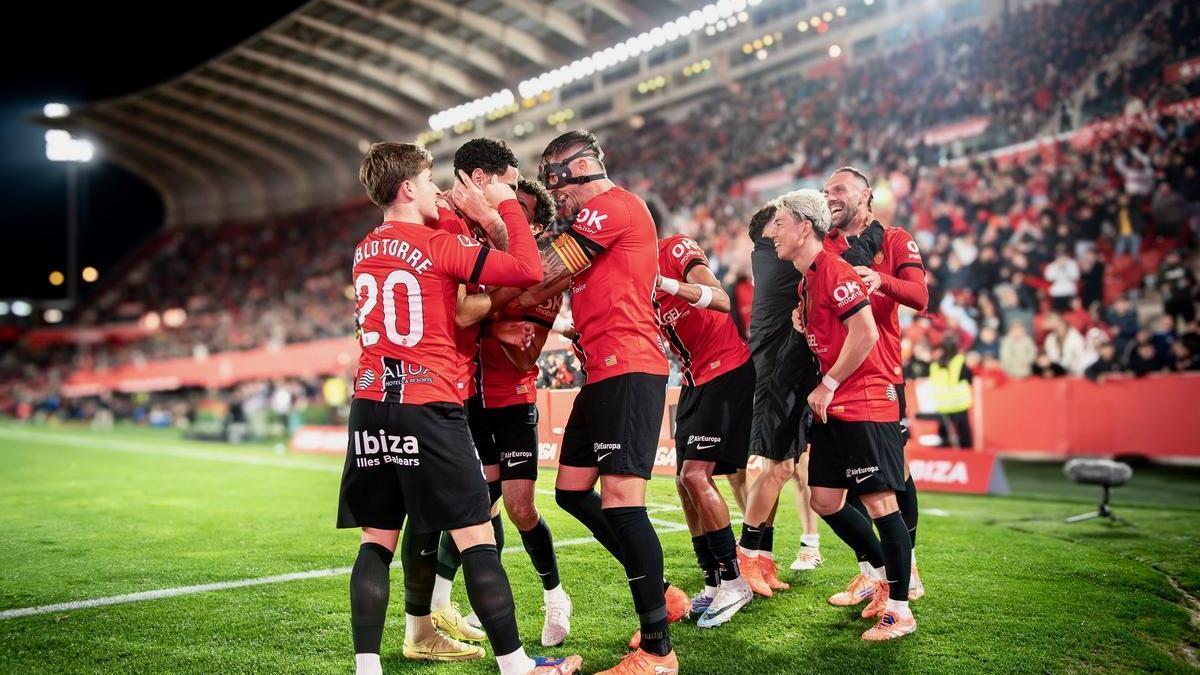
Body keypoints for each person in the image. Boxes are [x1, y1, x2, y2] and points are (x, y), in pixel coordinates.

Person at [338, 141, 580, 675]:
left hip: (371, 402)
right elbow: (522, 267)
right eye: (426, 181)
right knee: (475, 534)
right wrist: (505, 206)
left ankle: (366, 667)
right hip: (428, 401)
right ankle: (517, 665)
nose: (434, 189)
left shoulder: (363, 249)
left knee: (376, 540)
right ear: (407, 189)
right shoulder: (433, 246)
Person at [489, 130, 683, 674]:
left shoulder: (616, 208)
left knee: (622, 501)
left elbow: (545, 272)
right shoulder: (595, 222)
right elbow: (540, 289)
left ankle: (658, 650)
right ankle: (664, 595)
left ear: (578, 169)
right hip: (603, 371)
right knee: (573, 492)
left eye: (557, 181)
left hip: (631, 367)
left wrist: (487, 282)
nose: (560, 200)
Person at [763, 188, 916, 641]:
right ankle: (878, 573)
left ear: (804, 227)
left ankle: (901, 609)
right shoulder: (808, 279)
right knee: (825, 500)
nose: (773, 233)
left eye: (780, 223)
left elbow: (865, 331)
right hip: (832, 402)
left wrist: (827, 384)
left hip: (864, 399)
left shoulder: (833, 269)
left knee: (880, 502)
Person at [820, 166, 928, 605]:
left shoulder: (895, 239)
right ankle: (873, 571)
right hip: (839, 375)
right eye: (826, 191)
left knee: (893, 477)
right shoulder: (825, 243)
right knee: (841, 489)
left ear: (865, 195)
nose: (831, 197)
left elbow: (921, 297)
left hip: (882, 374)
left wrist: (878, 278)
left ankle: (909, 569)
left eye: (840, 189)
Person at [653, 224, 755, 628]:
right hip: (695, 380)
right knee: (683, 480)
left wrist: (665, 283)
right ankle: (713, 579)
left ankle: (734, 581)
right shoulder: (631, 283)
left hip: (727, 369)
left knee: (697, 475)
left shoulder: (674, 249)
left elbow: (721, 299)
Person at [929, 336, 973, 449]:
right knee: (964, 435)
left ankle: (945, 457)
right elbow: (969, 377)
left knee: (944, 437)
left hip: (943, 405)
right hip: (959, 404)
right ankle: (967, 458)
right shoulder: (959, 361)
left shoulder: (935, 364)